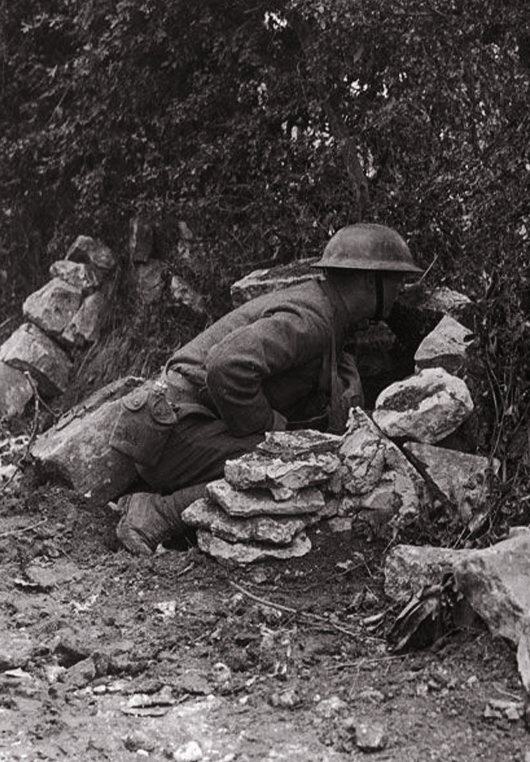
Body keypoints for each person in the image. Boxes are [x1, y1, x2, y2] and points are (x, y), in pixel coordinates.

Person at [113, 222, 422, 555]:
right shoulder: (313, 319)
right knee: (284, 467)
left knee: (294, 453)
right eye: (396, 280)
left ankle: (156, 498)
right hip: (172, 435)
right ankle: (154, 514)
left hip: (168, 428)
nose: (400, 290)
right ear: (367, 280)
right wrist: (269, 430)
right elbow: (227, 365)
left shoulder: (322, 308)